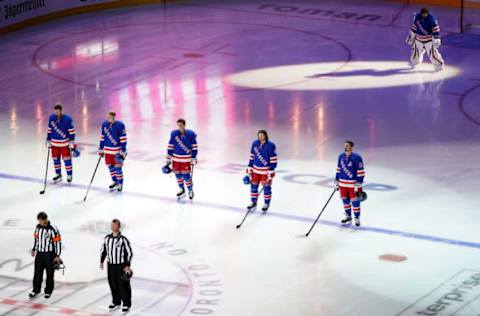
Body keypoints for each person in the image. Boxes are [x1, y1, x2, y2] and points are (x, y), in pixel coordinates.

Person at [100, 219, 133, 312]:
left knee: (123, 285)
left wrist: (127, 265)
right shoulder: (107, 238)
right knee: (113, 284)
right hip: (110, 265)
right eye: (112, 225)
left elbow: (129, 253)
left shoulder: (123, 240)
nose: (113, 227)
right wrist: (101, 261)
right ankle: (116, 302)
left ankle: (126, 303)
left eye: (115, 225)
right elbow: (104, 250)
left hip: (121, 265)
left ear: (119, 227)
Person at [29, 212, 62, 299]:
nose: (40, 223)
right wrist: (34, 249)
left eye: (41, 221)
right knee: (37, 273)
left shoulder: (53, 228)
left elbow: (57, 242)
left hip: (49, 254)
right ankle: (36, 290)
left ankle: (48, 291)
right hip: (39, 254)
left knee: (50, 273)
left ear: (45, 219)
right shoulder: (38, 227)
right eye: (39, 221)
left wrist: (57, 255)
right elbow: (36, 239)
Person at [165, 118, 198, 199]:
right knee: (178, 175)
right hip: (176, 159)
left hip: (186, 159)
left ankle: (190, 190)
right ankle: (181, 189)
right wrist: (168, 157)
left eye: (181, 125)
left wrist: (193, 157)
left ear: (184, 125)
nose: (180, 126)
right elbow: (170, 146)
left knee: (186, 175)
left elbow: (194, 147)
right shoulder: (174, 134)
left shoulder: (190, 134)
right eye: (178, 125)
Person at [335, 141, 365, 227]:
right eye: (344, 146)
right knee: (345, 201)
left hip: (353, 185)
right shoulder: (341, 156)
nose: (345, 147)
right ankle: (348, 216)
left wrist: (358, 183)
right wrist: (337, 181)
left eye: (347, 146)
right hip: (343, 184)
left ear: (351, 147)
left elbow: (360, 171)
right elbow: (338, 169)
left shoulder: (357, 157)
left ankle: (357, 218)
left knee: (355, 201)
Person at [246, 130, 278, 212]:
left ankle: (266, 203)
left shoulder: (271, 145)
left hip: (265, 172)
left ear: (265, 136)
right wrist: (250, 166)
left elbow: (273, 159)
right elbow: (252, 155)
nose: (260, 137)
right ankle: (253, 202)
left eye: (262, 135)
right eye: (259, 135)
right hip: (255, 171)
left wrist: (271, 169)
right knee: (253, 187)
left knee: (266, 188)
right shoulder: (255, 143)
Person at [406, 7, 444, 71]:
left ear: (427, 13)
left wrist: (437, 38)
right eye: (423, 14)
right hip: (418, 39)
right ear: (421, 13)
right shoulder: (417, 17)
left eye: (425, 14)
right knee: (416, 53)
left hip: (428, 40)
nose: (424, 15)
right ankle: (415, 62)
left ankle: (439, 65)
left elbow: (435, 29)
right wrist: (411, 36)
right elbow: (414, 27)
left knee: (432, 54)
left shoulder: (432, 19)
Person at [98, 111, 127, 192]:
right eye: (108, 117)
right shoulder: (104, 124)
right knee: (110, 167)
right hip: (107, 151)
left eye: (110, 117)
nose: (108, 118)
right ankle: (115, 181)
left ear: (114, 117)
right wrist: (101, 148)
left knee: (118, 168)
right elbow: (102, 137)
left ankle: (120, 183)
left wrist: (123, 150)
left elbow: (123, 138)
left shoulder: (120, 125)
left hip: (117, 151)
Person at [46, 104, 76, 183]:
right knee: (56, 160)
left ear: (61, 111)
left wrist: (72, 141)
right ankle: (58, 174)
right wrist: (48, 140)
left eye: (58, 112)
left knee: (67, 160)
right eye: (55, 112)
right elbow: (49, 129)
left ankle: (69, 175)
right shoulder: (52, 118)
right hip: (54, 144)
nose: (56, 114)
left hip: (64, 144)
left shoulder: (67, 119)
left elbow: (72, 132)